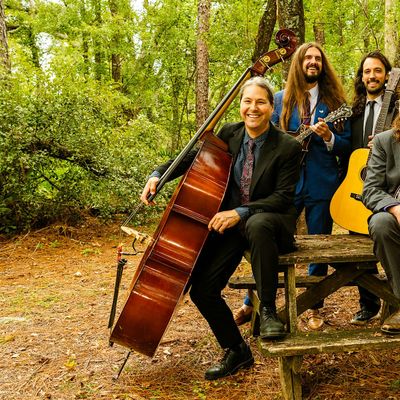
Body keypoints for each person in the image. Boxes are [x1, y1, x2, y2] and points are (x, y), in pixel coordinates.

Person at [141, 77, 302, 380]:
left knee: (257, 223)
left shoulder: (288, 147)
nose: (253, 108)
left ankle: (268, 310)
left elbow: (282, 197)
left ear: (272, 107)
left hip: (271, 223)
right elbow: (193, 157)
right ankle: (237, 350)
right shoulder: (230, 133)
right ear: (240, 105)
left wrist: (239, 212)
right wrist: (159, 174)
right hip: (231, 225)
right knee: (203, 290)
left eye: (261, 102)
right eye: (247, 101)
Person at [234, 42, 351, 331]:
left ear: (323, 65)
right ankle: (252, 302)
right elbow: (263, 136)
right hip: (283, 185)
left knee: (320, 245)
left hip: (321, 183)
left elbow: (347, 145)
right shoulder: (278, 99)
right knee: (265, 238)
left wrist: (329, 137)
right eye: (307, 58)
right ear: (298, 64)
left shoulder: (334, 102)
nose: (312, 62)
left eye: (317, 58)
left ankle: (314, 306)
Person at [349, 51, 395, 325]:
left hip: (389, 186)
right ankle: (368, 303)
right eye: (367, 71)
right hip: (360, 184)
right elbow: (345, 146)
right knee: (360, 247)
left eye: (377, 70)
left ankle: (393, 301)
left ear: (387, 75)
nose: (372, 76)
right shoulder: (353, 111)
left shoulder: (395, 108)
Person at [362, 114, 400, 334]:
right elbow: (371, 189)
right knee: (381, 223)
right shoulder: (385, 141)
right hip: (395, 213)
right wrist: (395, 208)